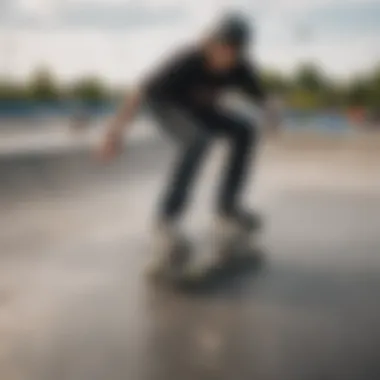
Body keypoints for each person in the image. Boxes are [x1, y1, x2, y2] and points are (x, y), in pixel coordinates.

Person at [99, 13, 280, 272]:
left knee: (245, 130)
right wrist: (114, 134)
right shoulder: (187, 59)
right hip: (165, 106)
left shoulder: (241, 67)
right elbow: (138, 92)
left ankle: (227, 209)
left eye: (233, 53)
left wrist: (272, 115)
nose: (225, 59)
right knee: (198, 140)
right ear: (210, 43)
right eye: (221, 49)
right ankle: (166, 221)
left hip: (199, 111)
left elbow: (264, 99)